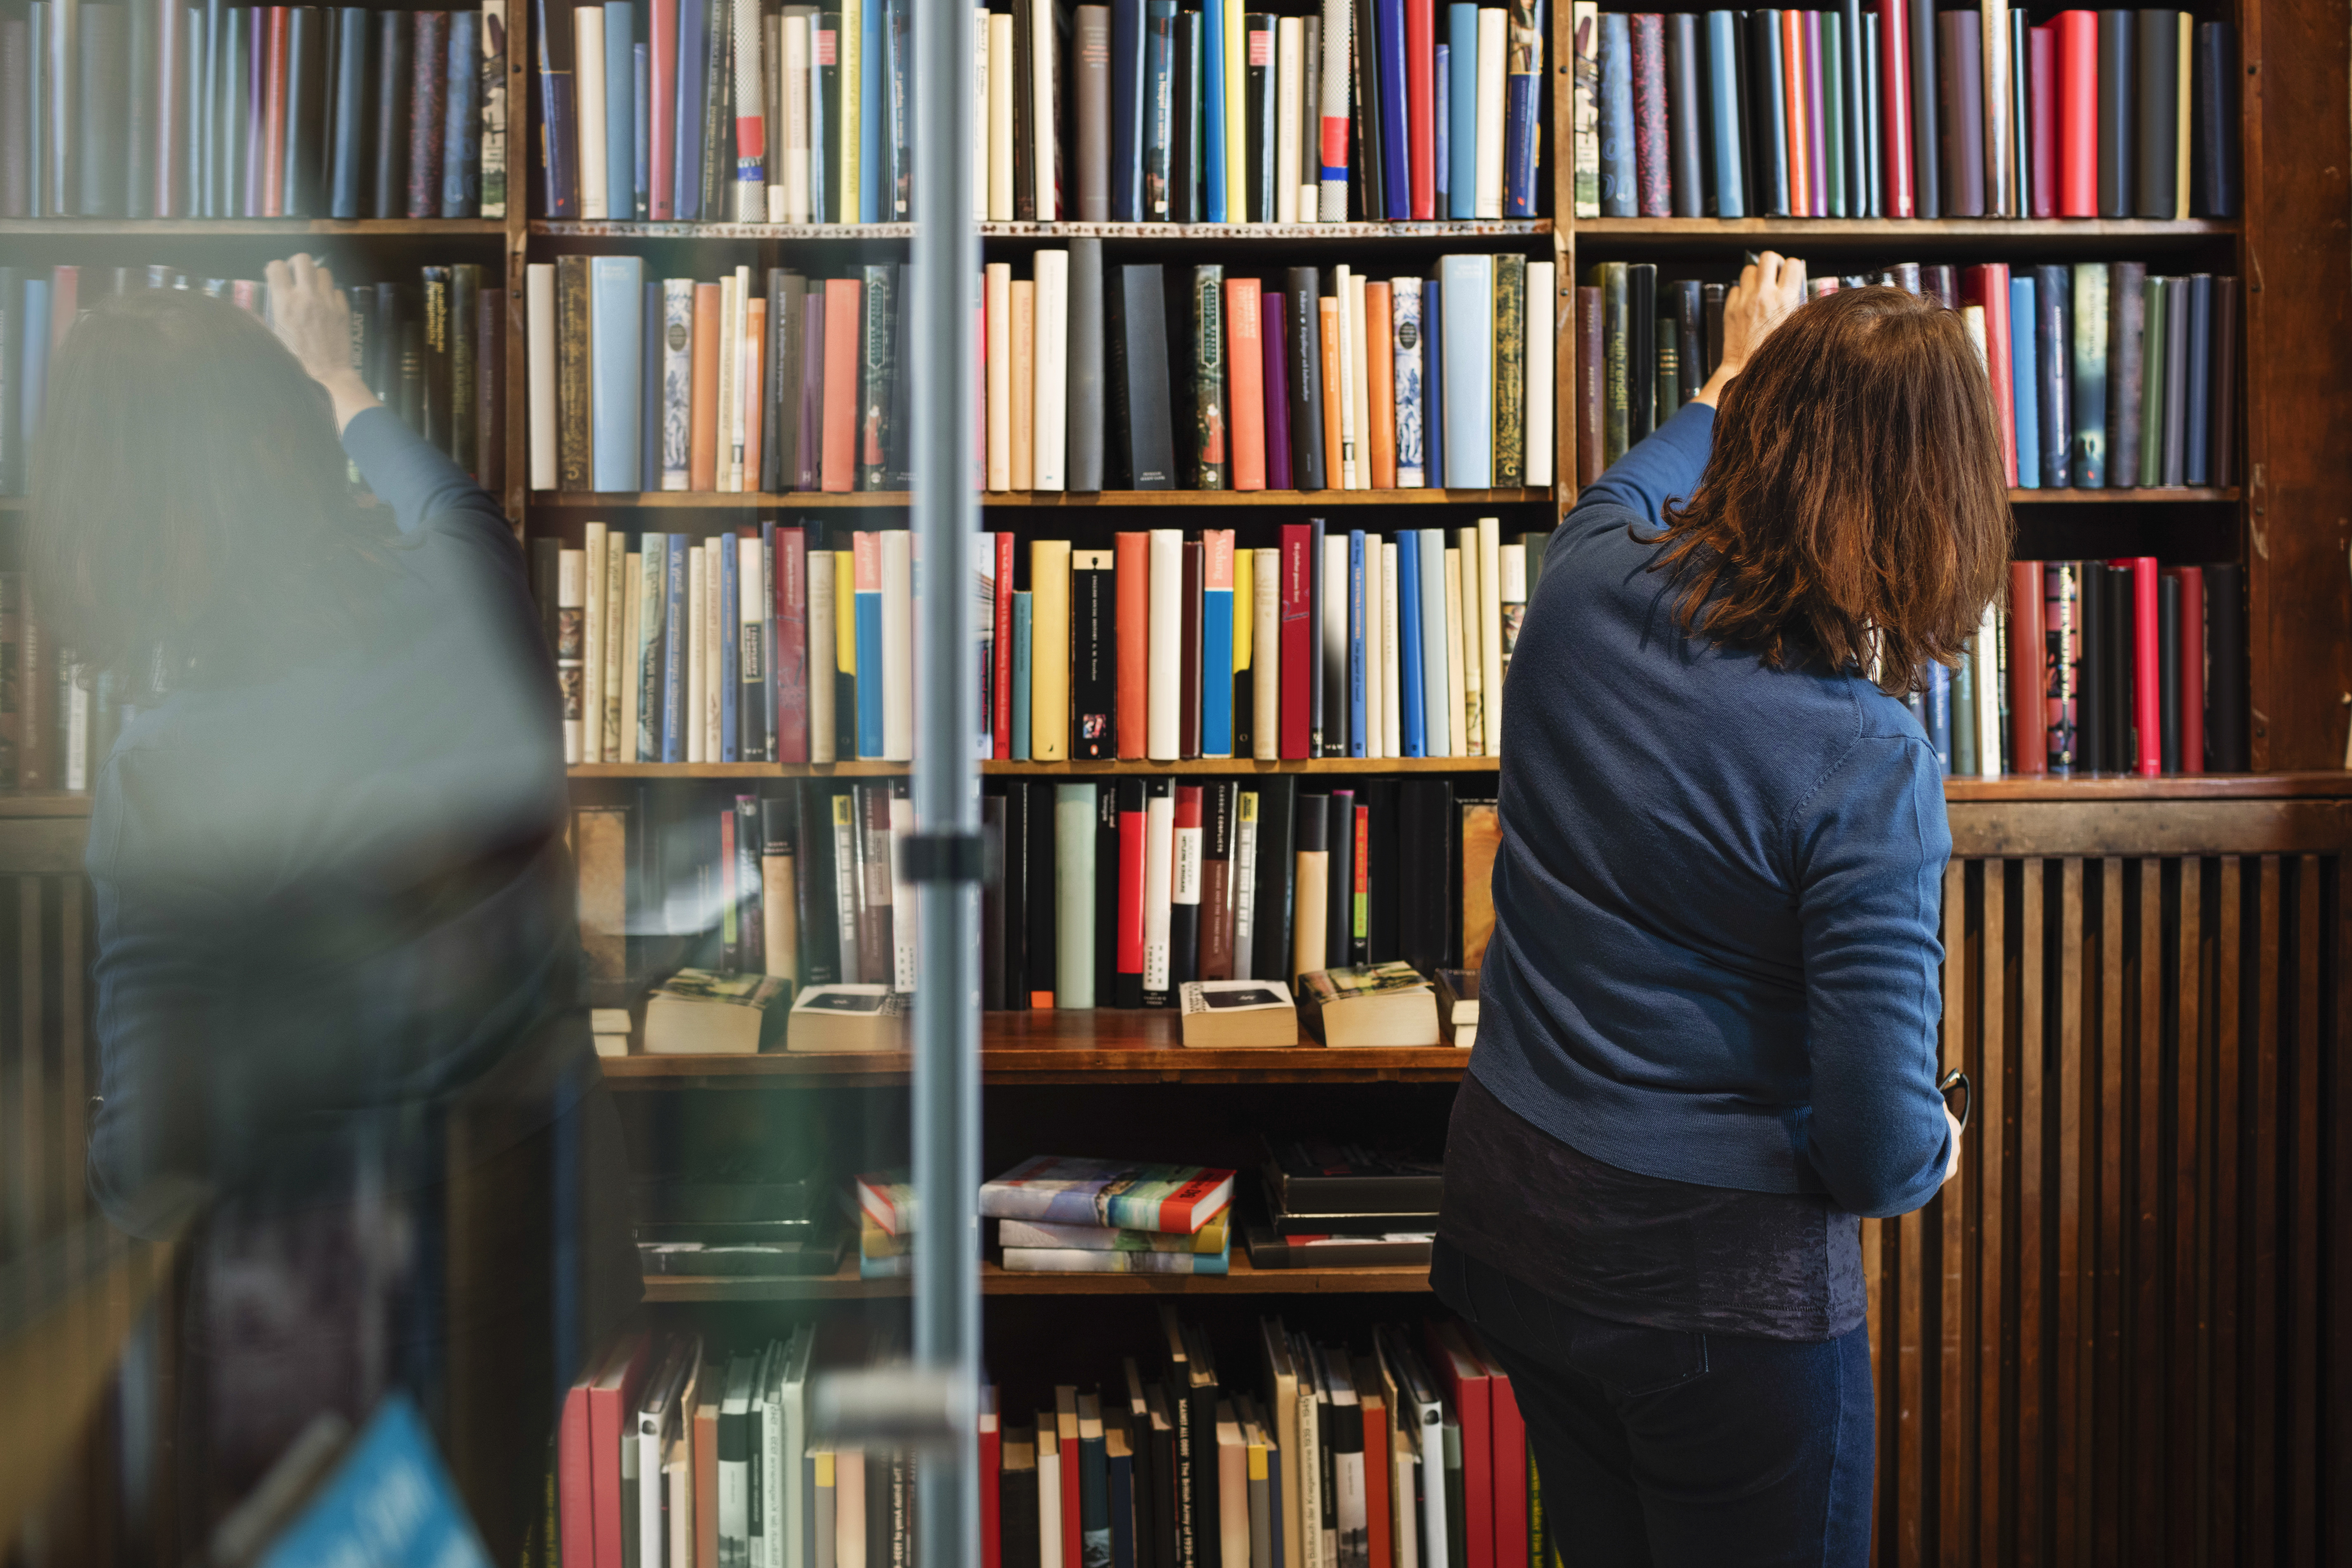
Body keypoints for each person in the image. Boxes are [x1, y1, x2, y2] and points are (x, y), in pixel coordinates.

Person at [26, 258, 638, 1563]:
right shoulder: (466, 585)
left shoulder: (169, 766)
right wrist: (339, 371)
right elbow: (446, 495)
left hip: (330, 1331)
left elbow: (155, 1158)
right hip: (543, 1248)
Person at [1432, 256, 2008, 1566]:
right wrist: (1938, 1148)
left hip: (1514, 1225)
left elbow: (1638, 478)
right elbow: (1873, 1151)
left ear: (1748, 441)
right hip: (1715, 1306)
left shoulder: (1583, 579)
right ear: (1941, 508)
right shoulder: (1861, 758)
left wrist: (1737, 375)